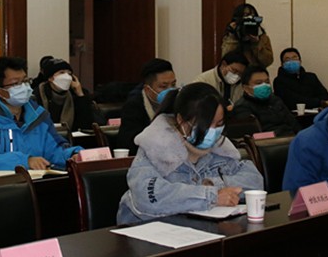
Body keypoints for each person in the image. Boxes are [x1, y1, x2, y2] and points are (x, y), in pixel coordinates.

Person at [117, 83, 264, 225]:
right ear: (181, 120)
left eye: (219, 124)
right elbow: (149, 197)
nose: (213, 131)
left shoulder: (220, 147)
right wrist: (210, 196)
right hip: (147, 231)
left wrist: (211, 184)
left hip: (200, 228)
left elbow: (255, 181)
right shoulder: (154, 146)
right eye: (205, 124)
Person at [0, 57, 80, 171]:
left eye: (25, 81)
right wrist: (25, 161)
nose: (24, 87)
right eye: (16, 84)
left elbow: (54, 149)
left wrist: (72, 155)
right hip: (7, 181)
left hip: (39, 180)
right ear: (0, 91)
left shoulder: (39, 115)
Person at [116, 58, 177, 155]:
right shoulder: (134, 106)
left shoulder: (178, 102)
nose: (170, 91)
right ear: (147, 89)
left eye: (173, 85)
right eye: (163, 86)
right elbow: (130, 143)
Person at [33, 57, 102, 132]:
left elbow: (86, 125)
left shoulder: (75, 94)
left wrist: (80, 94)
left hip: (72, 137)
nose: (67, 77)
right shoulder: (37, 95)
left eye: (69, 74)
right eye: (62, 72)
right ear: (50, 78)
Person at [232, 65, 301, 136]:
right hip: (270, 141)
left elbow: (294, 124)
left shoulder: (275, 100)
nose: (264, 85)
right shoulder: (241, 107)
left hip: (291, 138)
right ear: (246, 88)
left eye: (267, 82)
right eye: (259, 83)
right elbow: (254, 135)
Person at [221, 3, 273, 67]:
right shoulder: (231, 36)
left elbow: (267, 62)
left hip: (256, 72)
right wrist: (233, 35)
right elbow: (226, 58)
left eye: (253, 15)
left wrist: (256, 43)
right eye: (246, 15)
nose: (250, 18)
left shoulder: (262, 37)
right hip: (237, 71)